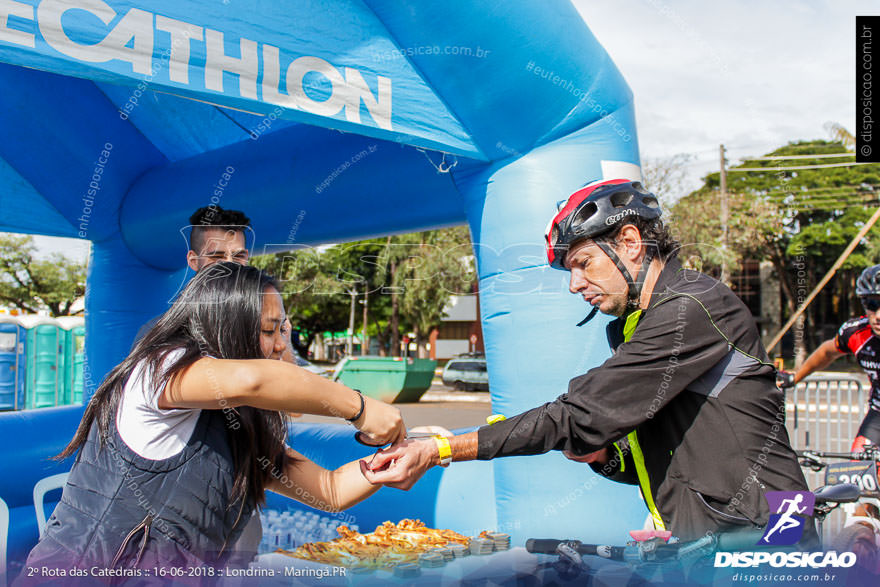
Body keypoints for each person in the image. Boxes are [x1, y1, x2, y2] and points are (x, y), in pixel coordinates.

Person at [363, 179, 812, 542]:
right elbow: (654, 445)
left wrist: (441, 448)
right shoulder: (634, 323)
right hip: (715, 528)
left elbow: (580, 413)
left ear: (630, 242)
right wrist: (603, 455)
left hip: (772, 526)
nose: (575, 284)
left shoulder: (692, 308)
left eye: (583, 263)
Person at [22, 263, 404, 573]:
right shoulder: (159, 370)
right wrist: (362, 409)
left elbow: (329, 490)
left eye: (283, 330)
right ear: (228, 327)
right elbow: (253, 380)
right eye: (270, 330)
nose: (281, 344)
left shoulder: (238, 425)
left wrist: (385, 466)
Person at [779, 264, 880, 451]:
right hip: (878, 415)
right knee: (858, 467)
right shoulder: (856, 332)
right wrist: (795, 377)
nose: (878, 315)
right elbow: (826, 352)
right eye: (872, 305)